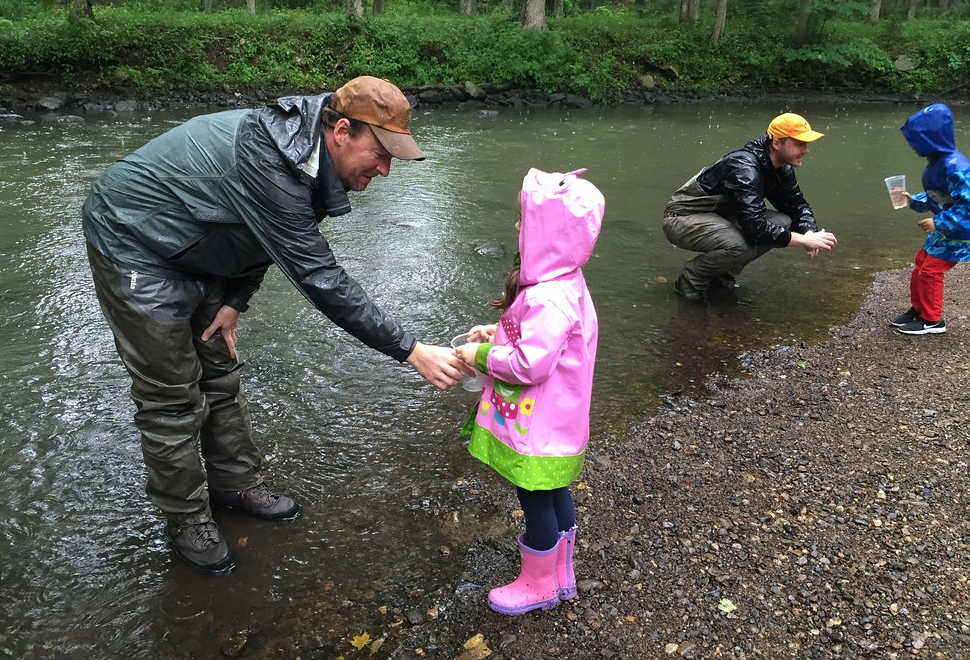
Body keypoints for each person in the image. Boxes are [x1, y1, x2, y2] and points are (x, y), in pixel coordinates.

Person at [82, 76, 466, 575]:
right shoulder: (273, 161)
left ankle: (235, 484)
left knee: (219, 372)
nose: (386, 170)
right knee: (171, 397)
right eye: (381, 152)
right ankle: (186, 519)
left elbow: (267, 235)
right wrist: (410, 349)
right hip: (134, 239)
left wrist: (235, 299)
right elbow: (318, 274)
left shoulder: (310, 159)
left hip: (204, 242)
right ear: (342, 130)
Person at [453, 167, 604, 615]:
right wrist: (496, 333)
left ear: (551, 232)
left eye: (525, 220)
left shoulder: (547, 297)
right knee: (555, 490)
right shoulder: (564, 282)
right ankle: (561, 573)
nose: (518, 227)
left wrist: (479, 357)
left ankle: (538, 585)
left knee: (534, 494)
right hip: (562, 418)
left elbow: (529, 363)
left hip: (540, 424)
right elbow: (536, 338)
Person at [662, 113, 839, 302]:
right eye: (799, 144)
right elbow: (756, 229)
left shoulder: (781, 168)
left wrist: (808, 232)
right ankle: (692, 278)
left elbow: (796, 205)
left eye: (806, 144)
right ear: (777, 143)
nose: (806, 150)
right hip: (680, 218)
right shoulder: (744, 167)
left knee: (783, 221)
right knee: (738, 245)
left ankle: (720, 274)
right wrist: (802, 241)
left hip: (718, 217)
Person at [889, 103, 970, 335]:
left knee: (931, 269)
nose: (913, 146)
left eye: (917, 140)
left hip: (965, 230)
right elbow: (937, 196)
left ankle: (933, 320)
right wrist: (911, 200)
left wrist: (938, 222)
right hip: (950, 225)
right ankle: (919, 309)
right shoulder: (938, 162)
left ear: (931, 138)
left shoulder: (957, 167)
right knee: (922, 262)